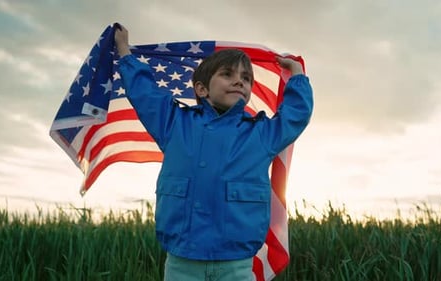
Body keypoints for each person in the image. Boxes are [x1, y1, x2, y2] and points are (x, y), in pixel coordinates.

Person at [114, 23, 314, 281]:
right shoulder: (174, 123)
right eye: (228, 74)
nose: (239, 81)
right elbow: (145, 95)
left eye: (246, 78)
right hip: (182, 264)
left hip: (237, 266)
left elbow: (296, 115)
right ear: (201, 89)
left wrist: (296, 74)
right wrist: (123, 52)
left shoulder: (261, 134)